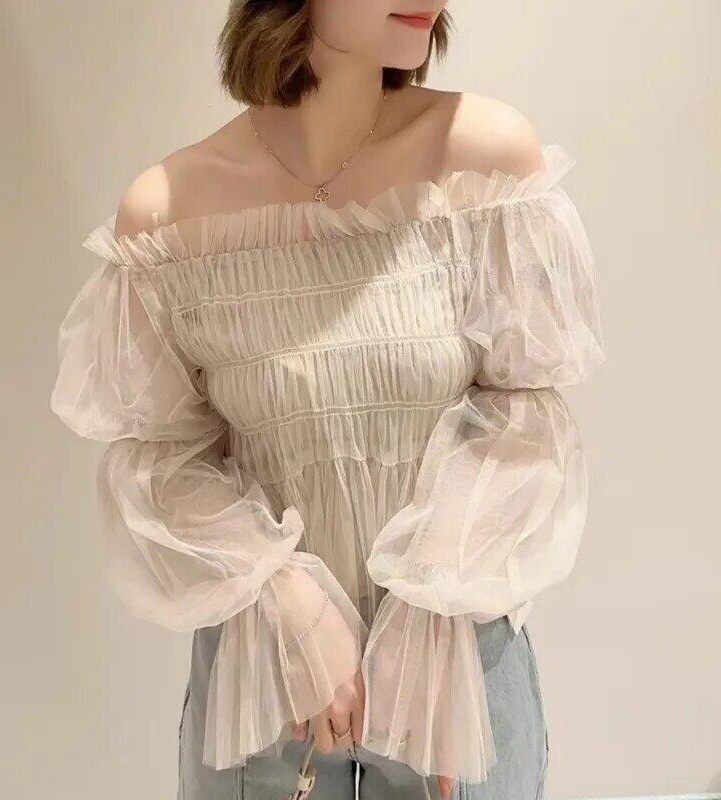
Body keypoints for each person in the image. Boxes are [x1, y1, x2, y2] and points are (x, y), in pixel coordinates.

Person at [49, 1, 606, 798]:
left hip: (455, 691)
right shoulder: (172, 215)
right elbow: (159, 465)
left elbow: (528, 417)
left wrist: (433, 588)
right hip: (266, 696)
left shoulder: (482, 165)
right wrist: (281, 594)